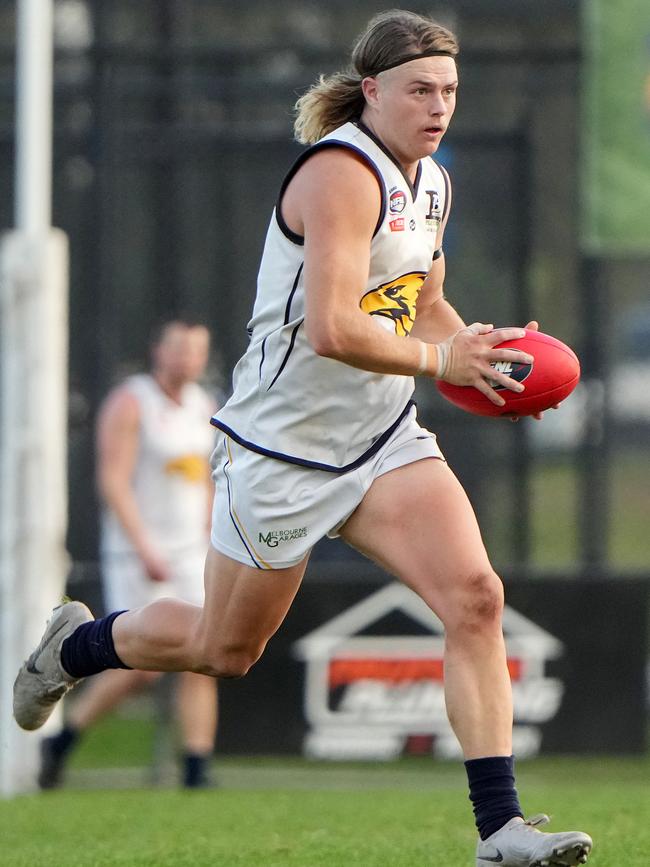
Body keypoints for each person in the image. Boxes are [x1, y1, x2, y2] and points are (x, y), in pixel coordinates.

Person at [15, 10, 591, 864]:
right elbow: (330, 329)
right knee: (224, 648)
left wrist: (489, 359)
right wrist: (441, 358)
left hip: (381, 435)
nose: (439, 107)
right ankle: (75, 644)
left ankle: (500, 829)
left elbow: (424, 306)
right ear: (372, 91)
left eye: (451, 92)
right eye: (421, 90)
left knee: (476, 597)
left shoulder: (431, 180)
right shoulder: (340, 176)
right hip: (283, 450)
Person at [37, 319, 219, 789]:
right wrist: (143, 546)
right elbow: (113, 481)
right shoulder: (133, 401)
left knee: (209, 651)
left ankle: (197, 771)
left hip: (191, 551)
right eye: (179, 348)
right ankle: (62, 742)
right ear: (158, 350)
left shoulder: (204, 406)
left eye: (197, 350)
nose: (188, 359)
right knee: (141, 666)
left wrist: (213, 531)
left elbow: (211, 480)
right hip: (141, 552)